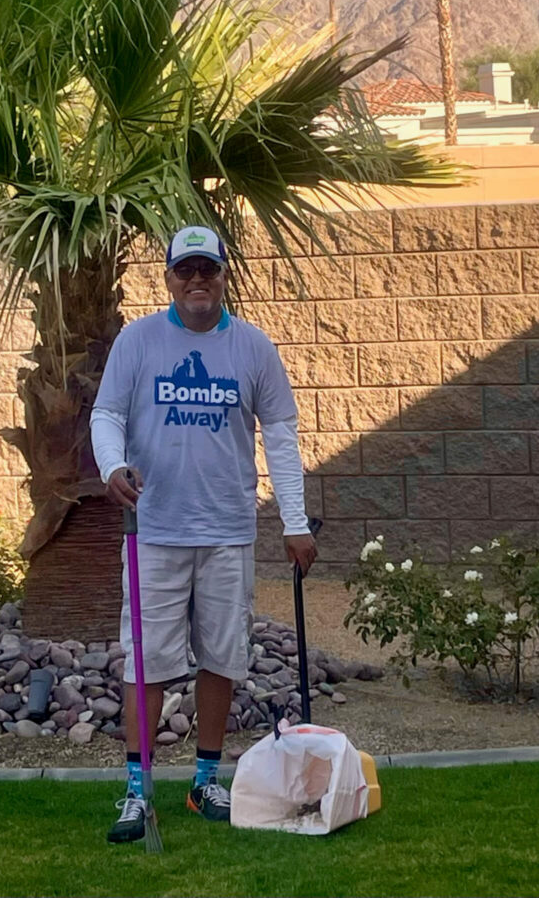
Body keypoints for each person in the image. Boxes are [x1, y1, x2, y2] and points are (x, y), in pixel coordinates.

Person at [90, 224, 317, 842]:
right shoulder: (138, 342)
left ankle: (204, 781)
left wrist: (294, 523)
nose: (197, 280)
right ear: (167, 278)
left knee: (222, 656)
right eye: (184, 270)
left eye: (207, 270)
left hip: (227, 530)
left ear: (223, 275)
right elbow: (107, 412)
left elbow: (283, 435)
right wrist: (112, 465)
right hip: (155, 530)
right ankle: (138, 792)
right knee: (148, 664)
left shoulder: (252, 347)